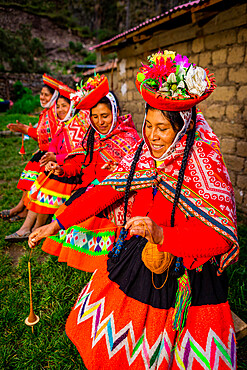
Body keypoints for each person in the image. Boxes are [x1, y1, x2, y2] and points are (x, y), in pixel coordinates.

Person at [29, 51, 238, 369]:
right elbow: (105, 191)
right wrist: (56, 223)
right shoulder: (146, 155)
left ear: (183, 128)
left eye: (163, 129)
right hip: (147, 246)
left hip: (189, 267)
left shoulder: (204, 164)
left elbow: (219, 238)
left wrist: (161, 235)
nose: (153, 136)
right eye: (149, 125)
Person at [39, 74, 139, 271]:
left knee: (89, 223)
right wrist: (61, 169)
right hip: (94, 189)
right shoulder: (93, 136)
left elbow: (131, 175)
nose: (100, 121)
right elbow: (79, 166)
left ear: (115, 113)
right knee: (68, 212)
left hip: (118, 195)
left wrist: (116, 171)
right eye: (95, 116)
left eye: (105, 116)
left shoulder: (129, 138)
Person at [5, 83, 90, 242]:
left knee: (46, 182)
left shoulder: (79, 125)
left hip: (74, 173)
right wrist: (50, 155)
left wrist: (54, 159)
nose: (60, 110)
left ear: (73, 106)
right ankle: (30, 226)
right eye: (58, 106)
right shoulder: (63, 124)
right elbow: (53, 145)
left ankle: (30, 228)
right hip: (61, 168)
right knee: (42, 178)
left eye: (65, 106)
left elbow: (77, 156)